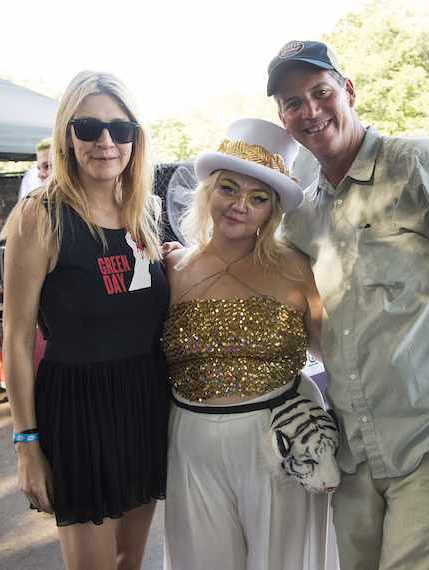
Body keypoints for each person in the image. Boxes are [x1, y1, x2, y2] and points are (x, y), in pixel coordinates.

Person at [266, 40, 429, 569]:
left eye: (321, 92)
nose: (310, 110)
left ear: (349, 91)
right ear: (282, 117)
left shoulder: (421, 164)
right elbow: (315, 313)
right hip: (357, 450)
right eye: (293, 102)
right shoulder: (301, 212)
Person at [0, 70, 170, 570]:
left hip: (144, 404)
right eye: (88, 127)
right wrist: (26, 444)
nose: (105, 141)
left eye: (121, 129)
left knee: (129, 563)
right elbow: (15, 339)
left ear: (136, 139)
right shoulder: (41, 214)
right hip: (78, 412)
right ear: (66, 134)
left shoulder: (146, 214)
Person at [161, 118, 339, 570]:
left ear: (272, 210)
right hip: (191, 447)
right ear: (208, 192)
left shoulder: (298, 268)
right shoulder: (171, 268)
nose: (240, 206)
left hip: (279, 441)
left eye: (258, 197)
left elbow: (338, 356)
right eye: (228, 189)